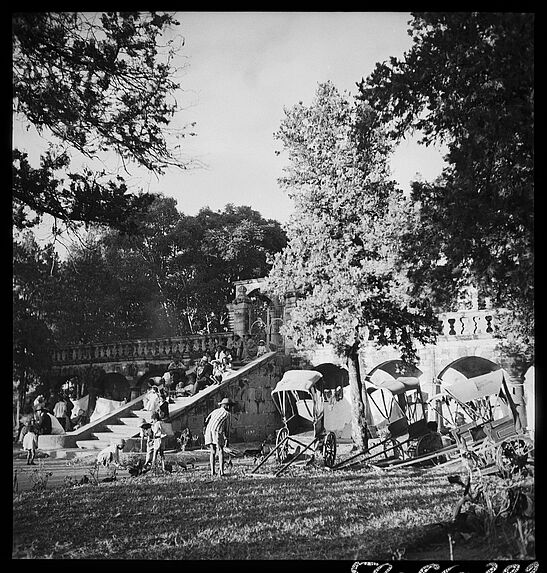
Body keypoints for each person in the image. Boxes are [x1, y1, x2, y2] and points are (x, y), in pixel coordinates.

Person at [204, 397, 234, 477]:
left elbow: (207, 419)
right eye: (229, 406)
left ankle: (212, 472)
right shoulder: (227, 414)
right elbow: (226, 429)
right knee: (220, 450)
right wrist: (227, 440)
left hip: (208, 430)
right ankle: (221, 472)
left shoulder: (215, 411)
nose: (230, 408)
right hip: (217, 431)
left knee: (213, 451)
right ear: (226, 406)